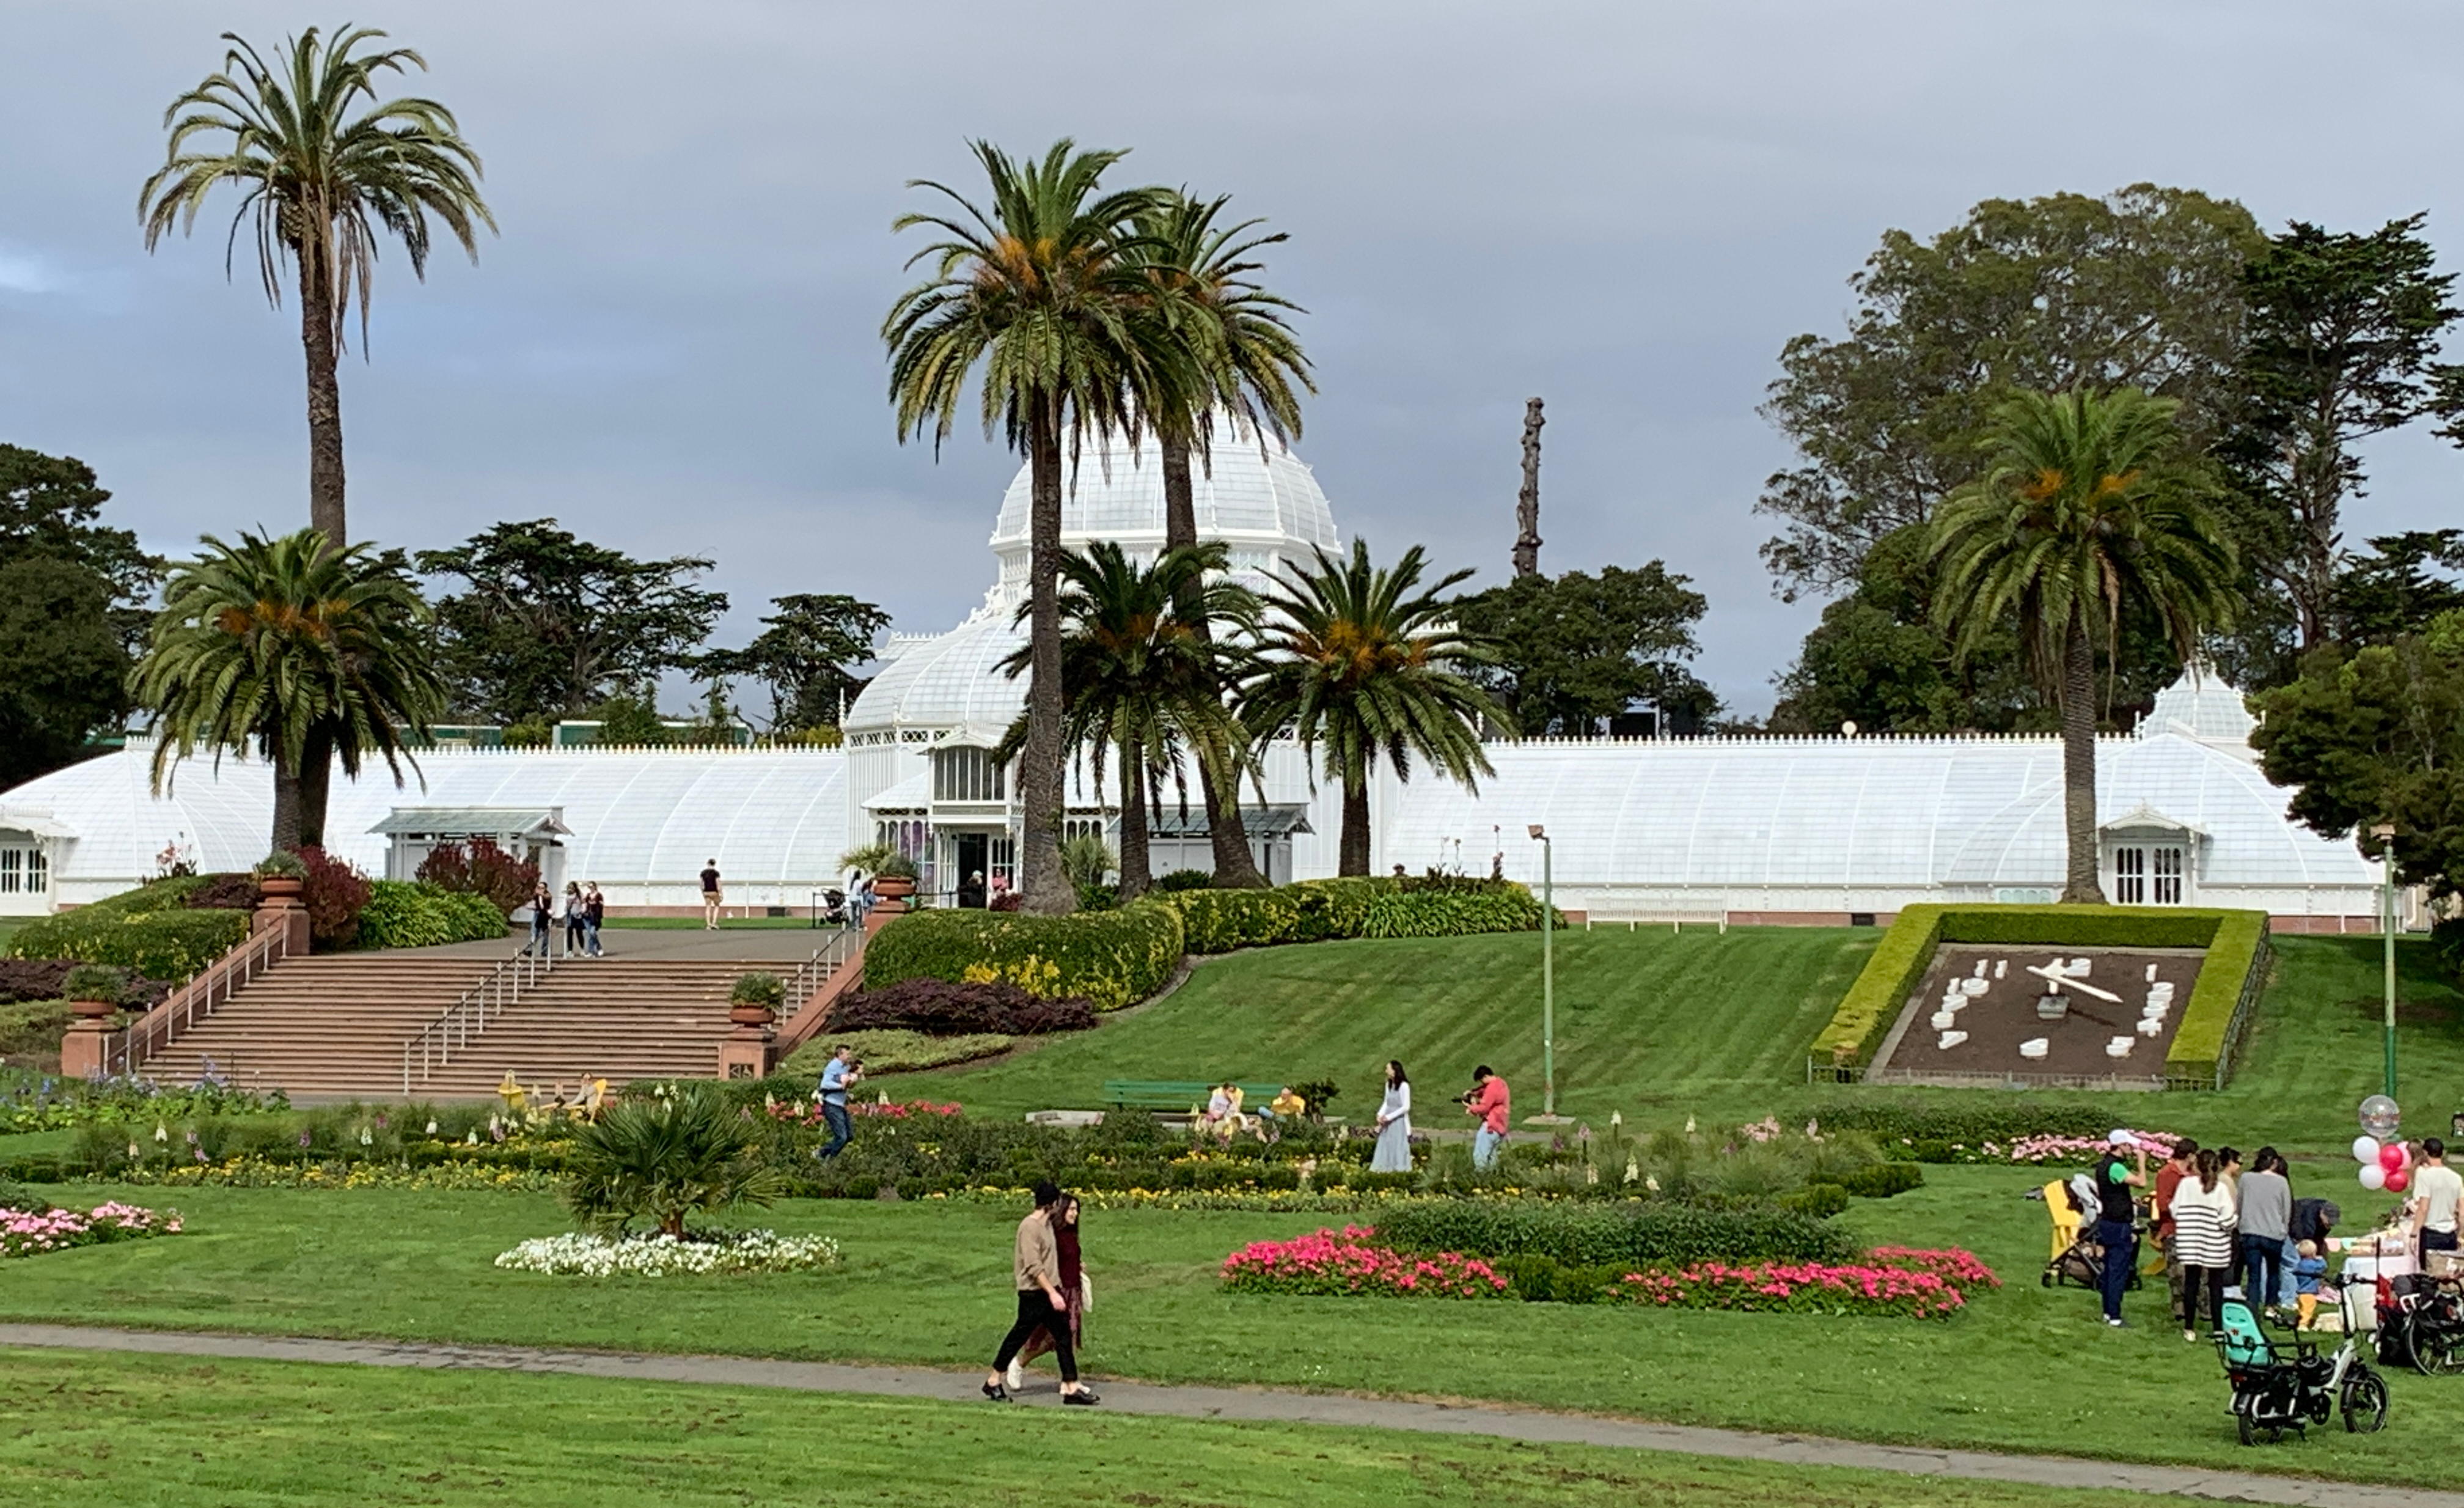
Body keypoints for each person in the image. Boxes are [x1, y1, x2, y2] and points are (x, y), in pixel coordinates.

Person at [985, 1182, 1096, 1405]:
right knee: (1019, 1335)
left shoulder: (1046, 1226)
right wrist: (1052, 1294)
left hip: (1049, 1290)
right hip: (1033, 1293)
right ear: (1053, 1204)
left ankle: (1071, 1386)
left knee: (1064, 1334)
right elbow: (1034, 1266)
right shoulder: (1030, 1227)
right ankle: (994, 1380)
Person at [1010, 1191, 1087, 1389]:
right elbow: (1046, 1261)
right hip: (1058, 1290)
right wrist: (1052, 1291)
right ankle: (1019, 1363)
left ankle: (1069, 1381)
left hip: (1073, 1290)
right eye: (1071, 1209)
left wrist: (1078, 1265)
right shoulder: (1053, 1234)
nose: (1074, 1214)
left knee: (1067, 1336)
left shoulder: (1071, 1233)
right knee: (1048, 1338)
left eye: (1077, 1210)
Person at [2172, 1147, 2239, 1342]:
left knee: (2191, 1282)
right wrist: (2234, 1220)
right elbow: (2227, 1220)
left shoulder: (2186, 1185)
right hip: (2214, 1243)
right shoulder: (2220, 1189)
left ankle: (2189, 1327)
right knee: (2216, 1286)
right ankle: (2219, 1329)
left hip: (2190, 1242)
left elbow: (2176, 1211)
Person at [2091, 1129, 2147, 1329]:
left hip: (2107, 1221)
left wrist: (2127, 1199)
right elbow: (2141, 1182)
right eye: (2129, 1145)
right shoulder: (2116, 1167)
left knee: (2109, 1270)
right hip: (2118, 1225)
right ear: (2121, 1145)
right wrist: (2142, 1161)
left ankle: (2108, 1312)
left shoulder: (2103, 1165)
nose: (2132, 1149)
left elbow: (2110, 1191)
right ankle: (2115, 1316)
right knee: (2118, 1271)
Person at [2238, 1147, 2292, 1323]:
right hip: (2273, 1233)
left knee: (2254, 1274)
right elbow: (2287, 1210)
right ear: (2275, 1163)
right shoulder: (2281, 1182)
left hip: (2250, 1231)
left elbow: (2239, 1203)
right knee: (2273, 1272)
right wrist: (2283, 1229)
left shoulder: (2246, 1178)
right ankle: (2270, 1306)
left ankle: (2253, 1308)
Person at [2151, 1138, 2199, 1330]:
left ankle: (2198, 1308)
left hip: (2193, 1229)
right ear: (2189, 1155)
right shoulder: (2167, 1174)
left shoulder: (2192, 1175)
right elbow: (2163, 1204)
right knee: (2178, 1273)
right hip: (2174, 1228)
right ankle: (2180, 1310)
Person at [2411, 1136, 2463, 1260]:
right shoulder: (2456, 1178)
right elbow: (2462, 1211)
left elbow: (2423, 1208)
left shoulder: (2425, 1176)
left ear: (2425, 1153)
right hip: (2450, 1234)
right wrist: (2461, 1235)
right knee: (2448, 1275)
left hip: (2431, 1234)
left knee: (2428, 1276)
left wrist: (2413, 1234)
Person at [815, 1045, 859, 1160]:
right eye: (847, 1054)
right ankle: (828, 1159)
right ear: (840, 1055)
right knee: (842, 1137)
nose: (849, 1056)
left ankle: (823, 1152)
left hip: (840, 1105)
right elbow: (825, 1084)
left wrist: (852, 1081)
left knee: (849, 1136)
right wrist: (841, 1086)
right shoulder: (832, 1066)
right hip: (832, 1105)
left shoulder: (845, 1067)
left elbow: (847, 1078)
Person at [1464, 1065, 1510, 1171]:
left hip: (1491, 1125)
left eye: (1482, 1081)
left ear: (1485, 1077)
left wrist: (1471, 1108)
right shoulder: (1501, 1083)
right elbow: (1483, 1091)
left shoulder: (1492, 1088)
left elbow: (1484, 1107)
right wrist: (1473, 1093)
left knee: (1480, 1154)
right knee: (1492, 1156)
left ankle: (1480, 1178)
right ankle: (1493, 1178)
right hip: (1501, 1126)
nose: (1482, 1083)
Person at [1371, 1061, 1413, 1173]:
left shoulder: (1404, 1086)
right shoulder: (1389, 1085)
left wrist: (1390, 1117)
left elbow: (1406, 1107)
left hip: (1399, 1122)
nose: (1386, 1071)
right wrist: (1380, 1115)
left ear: (1394, 1070)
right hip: (1388, 1123)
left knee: (1398, 1145)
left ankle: (1399, 1169)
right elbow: (1387, 1102)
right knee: (1386, 1144)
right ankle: (1384, 1169)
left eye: (1388, 1068)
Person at [2290, 1240, 2330, 1330]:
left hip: (2300, 1291)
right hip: (2309, 1292)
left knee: (2302, 1309)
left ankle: (2299, 1321)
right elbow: (2324, 1267)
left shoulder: (2300, 1264)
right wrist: (2321, 1259)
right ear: (2313, 1253)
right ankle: (2303, 1324)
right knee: (2308, 1309)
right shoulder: (2314, 1265)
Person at [523, 881, 554, 957]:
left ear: (545, 889)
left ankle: (544, 951)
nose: (540, 889)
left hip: (545, 916)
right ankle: (530, 950)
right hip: (538, 915)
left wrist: (541, 895)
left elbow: (546, 904)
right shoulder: (536, 896)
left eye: (542, 888)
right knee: (534, 933)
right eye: (539, 888)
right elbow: (533, 903)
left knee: (545, 935)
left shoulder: (547, 896)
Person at [560, 881, 587, 958]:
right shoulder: (568, 897)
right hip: (570, 917)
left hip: (578, 916)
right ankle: (570, 950)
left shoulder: (579, 895)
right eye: (569, 888)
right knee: (569, 934)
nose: (570, 889)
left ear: (575, 888)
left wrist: (582, 911)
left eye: (572, 887)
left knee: (579, 934)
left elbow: (584, 903)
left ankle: (582, 949)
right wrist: (568, 905)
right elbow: (567, 907)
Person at [582, 881, 606, 957]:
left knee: (592, 933)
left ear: (595, 886)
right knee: (590, 934)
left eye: (592, 886)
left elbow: (601, 906)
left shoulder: (599, 895)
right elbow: (584, 904)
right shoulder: (588, 896)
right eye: (589, 887)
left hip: (595, 918)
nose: (590, 888)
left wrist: (595, 904)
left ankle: (599, 948)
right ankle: (591, 951)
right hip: (587, 917)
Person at [700, 859, 724, 930]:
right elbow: (718, 883)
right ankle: (714, 923)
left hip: (706, 892)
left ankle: (708, 925)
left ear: (708, 864)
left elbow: (701, 884)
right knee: (717, 906)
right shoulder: (716, 873)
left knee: (708, 907)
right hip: (714, 892)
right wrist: (721, 893)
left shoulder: (703, 873)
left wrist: (703, 892)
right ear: (714, 864)